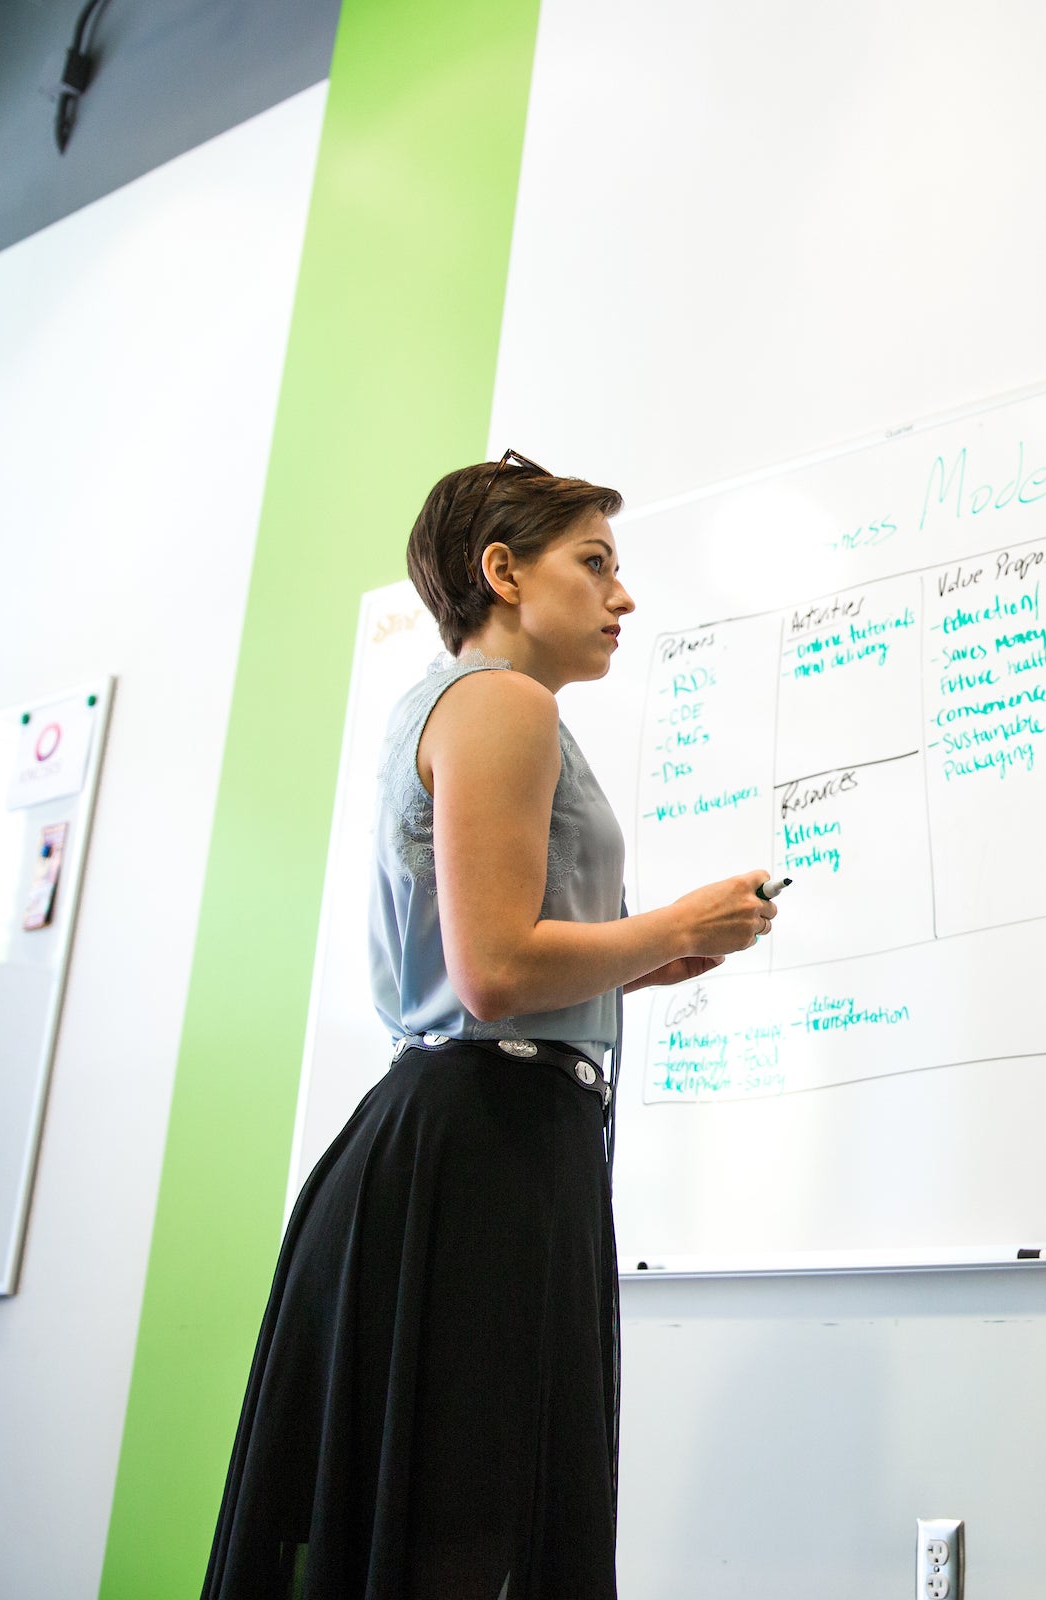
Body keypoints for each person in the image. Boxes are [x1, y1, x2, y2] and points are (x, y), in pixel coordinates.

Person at [203, 453, 778, 1598]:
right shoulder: (504, 702)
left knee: (447, 1518)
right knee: (470, 1525)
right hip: (482, 1148)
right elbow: (498, 969)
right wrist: (672, 916)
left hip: (472, 1134)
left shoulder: (468, 705)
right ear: (503, 571)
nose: (623, 596)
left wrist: (647, 960)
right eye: (597, 563)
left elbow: (503, 958)